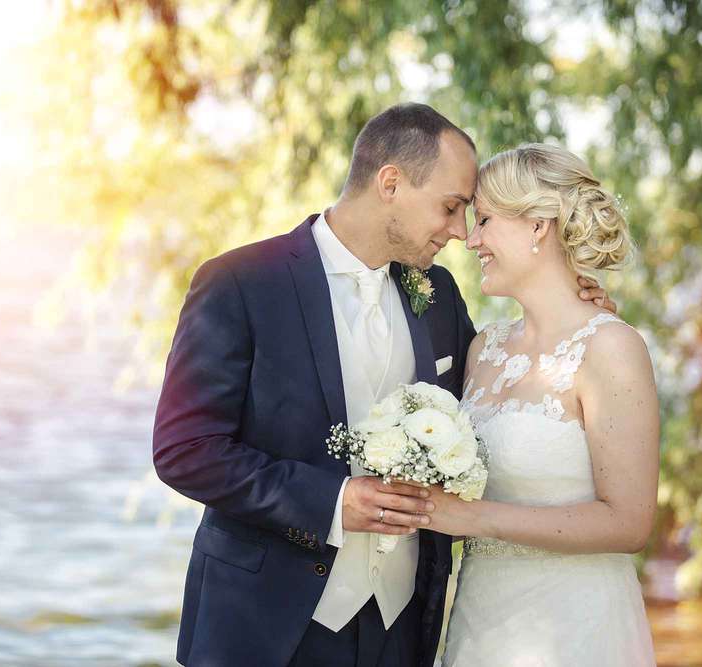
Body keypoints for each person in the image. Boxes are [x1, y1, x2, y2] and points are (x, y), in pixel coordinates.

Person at [152, 105, 615, 667]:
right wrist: (335, 501)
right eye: (451, 207)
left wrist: (574, 318)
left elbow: (503, 398)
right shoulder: (240, 283)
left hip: (401, 627)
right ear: (390, 182)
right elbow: (185, 451)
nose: (460, 232)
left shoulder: (439, 295)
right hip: (266, 626)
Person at [430, 143, 659, 666]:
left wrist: (473, 519)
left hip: (577, 629)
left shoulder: (611, 347)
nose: (470, 239)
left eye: (485, 219)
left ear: (537, 225)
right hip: (480, 627)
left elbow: (629, 523)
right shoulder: (481, 349)